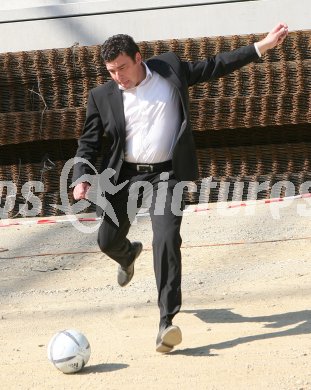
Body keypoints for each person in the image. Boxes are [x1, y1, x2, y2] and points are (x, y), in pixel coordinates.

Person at [72, 23, 288, 353]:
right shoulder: (101, 97)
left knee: (167, 237)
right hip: (125, 177)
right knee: (107, 240)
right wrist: (82, 177)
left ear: (138, 58)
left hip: (167, 175)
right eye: (111, 71)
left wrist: (261, 47)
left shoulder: (170, 70)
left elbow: (216, 65)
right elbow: (87, 144)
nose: (118, 77)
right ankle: (127, 254)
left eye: (123, 68)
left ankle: (166, 322)